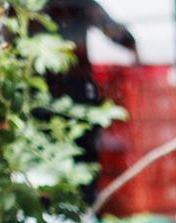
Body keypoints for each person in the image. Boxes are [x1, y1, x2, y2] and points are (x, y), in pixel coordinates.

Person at [42, 0, 138, 202]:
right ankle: (82, 208)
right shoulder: (79, 5)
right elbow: (120, 36)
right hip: (68, 97)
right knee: (80, 159)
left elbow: (119, 35)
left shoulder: (77, 5)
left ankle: (78, 209)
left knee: (60, 161)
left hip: (56, 97)